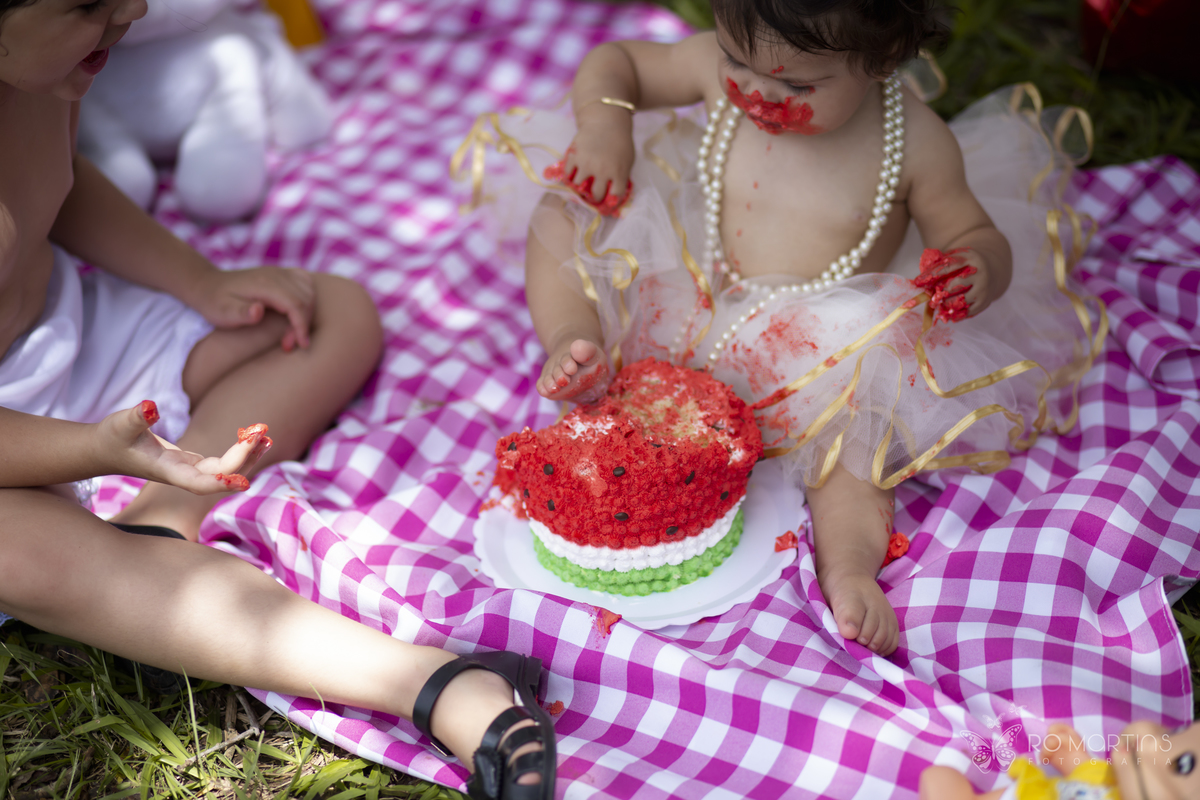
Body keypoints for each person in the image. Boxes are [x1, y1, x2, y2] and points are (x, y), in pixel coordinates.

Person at [0, 0, 554, 796]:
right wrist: (90, 449)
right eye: (88, 3)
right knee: (19, 555)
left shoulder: (43, 71)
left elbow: (60, 182)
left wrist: (202, 282)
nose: (134, 11)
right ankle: (440, 685)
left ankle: (158, 522)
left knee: (323, 313)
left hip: (72, 334)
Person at [474, 0, 1093, 657]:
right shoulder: (714, 67)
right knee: (566, 211)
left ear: (880, 62)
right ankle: (576, 344)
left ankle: (848, 566)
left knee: (854, 442)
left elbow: (971, 231)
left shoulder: (916, 143)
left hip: (816, 341)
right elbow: (618, 60)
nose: (757, 94)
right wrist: (606, 126)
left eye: (796, 85)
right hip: (689, 275)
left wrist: (976, 266)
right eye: (737, 62)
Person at [919, 721, 1199, 800]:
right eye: (1175, 733)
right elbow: (1089, 776)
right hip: (1033, 794)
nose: (1148, 740)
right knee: (940, 779)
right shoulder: (1115, 781)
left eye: (1181, 765)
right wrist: (1072, 756)